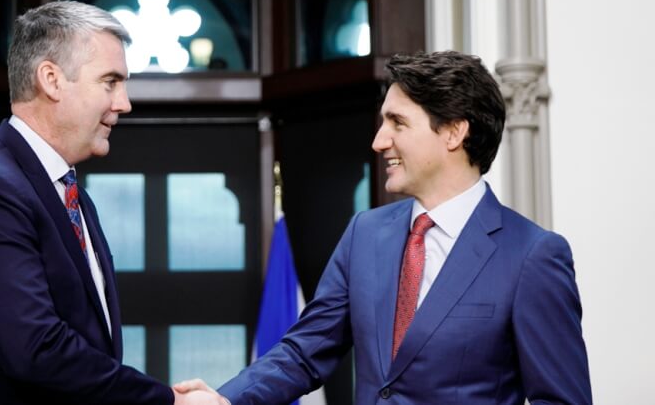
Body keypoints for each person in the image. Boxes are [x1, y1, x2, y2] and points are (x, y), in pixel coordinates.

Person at [176, 51, 592, 404]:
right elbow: (304, 352)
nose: (378, 141)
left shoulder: (533, 256)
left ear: (453, 132)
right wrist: (226, 399)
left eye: (398, 123)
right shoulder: (365, 233)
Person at [0, 0, 224, 405]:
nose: (124, 103)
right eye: (110, 82)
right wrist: (167, 401)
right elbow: (36, 348)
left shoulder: (70, 194)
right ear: (51, 79)